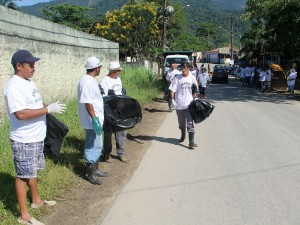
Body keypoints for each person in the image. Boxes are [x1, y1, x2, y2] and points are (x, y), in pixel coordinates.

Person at [3, 49, 67, 225]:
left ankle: (37, 200)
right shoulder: (14, 86)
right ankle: (24, 216)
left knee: (32, 170)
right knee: (23, 175)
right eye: (30, 65)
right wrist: (47, 110)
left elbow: (34, 104)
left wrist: (48, 106)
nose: (33, 68)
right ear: (18, 66)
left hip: (36, 136)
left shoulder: (28, 82)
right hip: (24, 139)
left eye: (34, 65)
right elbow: (21, 114)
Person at [77, 56, 108, 185]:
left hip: (95, 118)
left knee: (97, 145)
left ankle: (96, 169)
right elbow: (87, 102)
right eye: (100, 67)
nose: (100, 69)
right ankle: (90, 173)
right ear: (97, 68)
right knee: (92, 145)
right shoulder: (87, 82)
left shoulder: (90, 80)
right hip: (91, 121)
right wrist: (94, 119)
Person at [100, 61, 128, 163]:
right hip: (109, 110)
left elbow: (120, 92)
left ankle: (121, 153)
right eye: (119, 70)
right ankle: (106, 153)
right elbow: (103, 98)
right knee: (108, 132)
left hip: (119, 109)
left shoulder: (118, 79)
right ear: (115, 71)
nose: (120, 72)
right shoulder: (104, 81)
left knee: (121, 131)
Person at [169, 62, 198, 149]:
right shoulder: (177, 78)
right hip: (179, 104)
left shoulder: (192, 78)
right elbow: (172, 90)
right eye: (182, 68)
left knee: (190, 123)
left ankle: (191, 141)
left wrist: (195, 98)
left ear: (188, 69)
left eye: (185, 68)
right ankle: (183, 135)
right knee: (181, 123)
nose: (183, 70)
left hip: (189, 104)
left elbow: (194, 90)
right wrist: (173, 100)